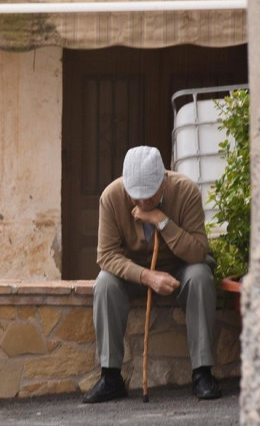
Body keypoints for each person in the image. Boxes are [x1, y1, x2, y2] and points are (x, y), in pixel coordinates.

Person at [82, 145, 221, 403]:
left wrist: (162, 221)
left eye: (150, 195)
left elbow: (198, 252)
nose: (143, 203)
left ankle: (202, 372)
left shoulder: (186, 191)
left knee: (200, 276)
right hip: (135, 271)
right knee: (105, 283)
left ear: (164, 181)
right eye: (136, 197)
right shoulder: (111, 197)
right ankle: (110, 376)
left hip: (180, 266)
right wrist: (147, 276)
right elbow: (107, 256)